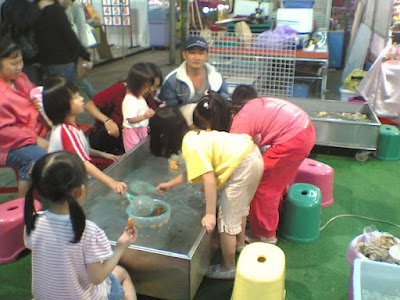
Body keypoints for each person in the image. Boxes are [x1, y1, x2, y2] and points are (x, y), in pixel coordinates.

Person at [150, 94, 263, 280]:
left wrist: (210, 213)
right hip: (250, 155)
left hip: (244, 165)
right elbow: (196, 172)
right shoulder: (194, 136)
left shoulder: (191, 147)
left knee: (226, 219)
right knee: (239, 208)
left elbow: (208, 179)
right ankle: (239, 244)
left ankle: (229, 267)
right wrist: (170, 184)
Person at [24, 151, 137, 300]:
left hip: (44, 297)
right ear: (80, 190)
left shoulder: (33, 222)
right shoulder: (89, 231)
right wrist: (121, 246)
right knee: (122, 273)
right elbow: (97, 278)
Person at [230, 85, 316, 244]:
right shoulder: (257, 105)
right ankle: (277, 213)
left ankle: (264, 234)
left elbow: (232, 157)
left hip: (293, 139)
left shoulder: (240, 120)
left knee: (263, 186)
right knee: (278, 180)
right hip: (304, 128)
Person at [43, 75, 127, 196]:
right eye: (76, 97)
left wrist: (102, 154)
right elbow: (83, 162)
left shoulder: (70, 126)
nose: (82, 98)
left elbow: (79, 149)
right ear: (63, 105)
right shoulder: (66, 132)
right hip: (69, 186)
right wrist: (111, 182)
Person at [0, 35, 49, 196]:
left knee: (65, 135)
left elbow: (34, 93)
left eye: (20, 62)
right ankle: (25, 205)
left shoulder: (21, 78)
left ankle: (55, 192)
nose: (19, 67)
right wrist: (34, 139)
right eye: (13, 63)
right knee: (35, 157)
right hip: (7, 144)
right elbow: (5, 131)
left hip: (31, 133)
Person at [85, 62, 163, 155]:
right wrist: (107, 121)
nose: (152, 90)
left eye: (156, 86)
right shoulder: (118, 89)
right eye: (150, 86)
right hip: (108, 137)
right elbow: (89, 105)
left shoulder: (145, 95)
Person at [158, 36, 229, 106]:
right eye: (192, 53)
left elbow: (225, 101)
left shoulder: (216, 76)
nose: (197, 57)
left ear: (207, 55)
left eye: (201, 53)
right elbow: (169, 110)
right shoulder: (172, 79)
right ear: (184, 55)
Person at [35, 0, 92, 81]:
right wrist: (85, 55)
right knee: (68, 90)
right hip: (62, 60)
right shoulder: (56, 10)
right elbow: (69, 36)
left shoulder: (34, 11)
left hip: (44, 61)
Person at [0, 0, 42, 84]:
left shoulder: (6, 4)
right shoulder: (23, 4)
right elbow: (23, 24)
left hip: (14, 48)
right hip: (27, 52)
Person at [122, 62, 156, 152]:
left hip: (142, 128)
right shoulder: (129, 100)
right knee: (135, 151)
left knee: (143, 149)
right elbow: (130, 119)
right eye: (146, 87)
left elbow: (143, 108)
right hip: (132, 131)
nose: (148, 90)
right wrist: (145, 117)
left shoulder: (139, 97)